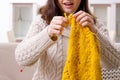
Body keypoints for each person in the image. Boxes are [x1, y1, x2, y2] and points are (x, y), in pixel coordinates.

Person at [15, 0, 120, 80]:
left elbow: (115, 63)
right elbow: (21, 59)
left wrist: (95, 33)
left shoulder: (95, 24)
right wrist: (47, 34)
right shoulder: (43, 21)